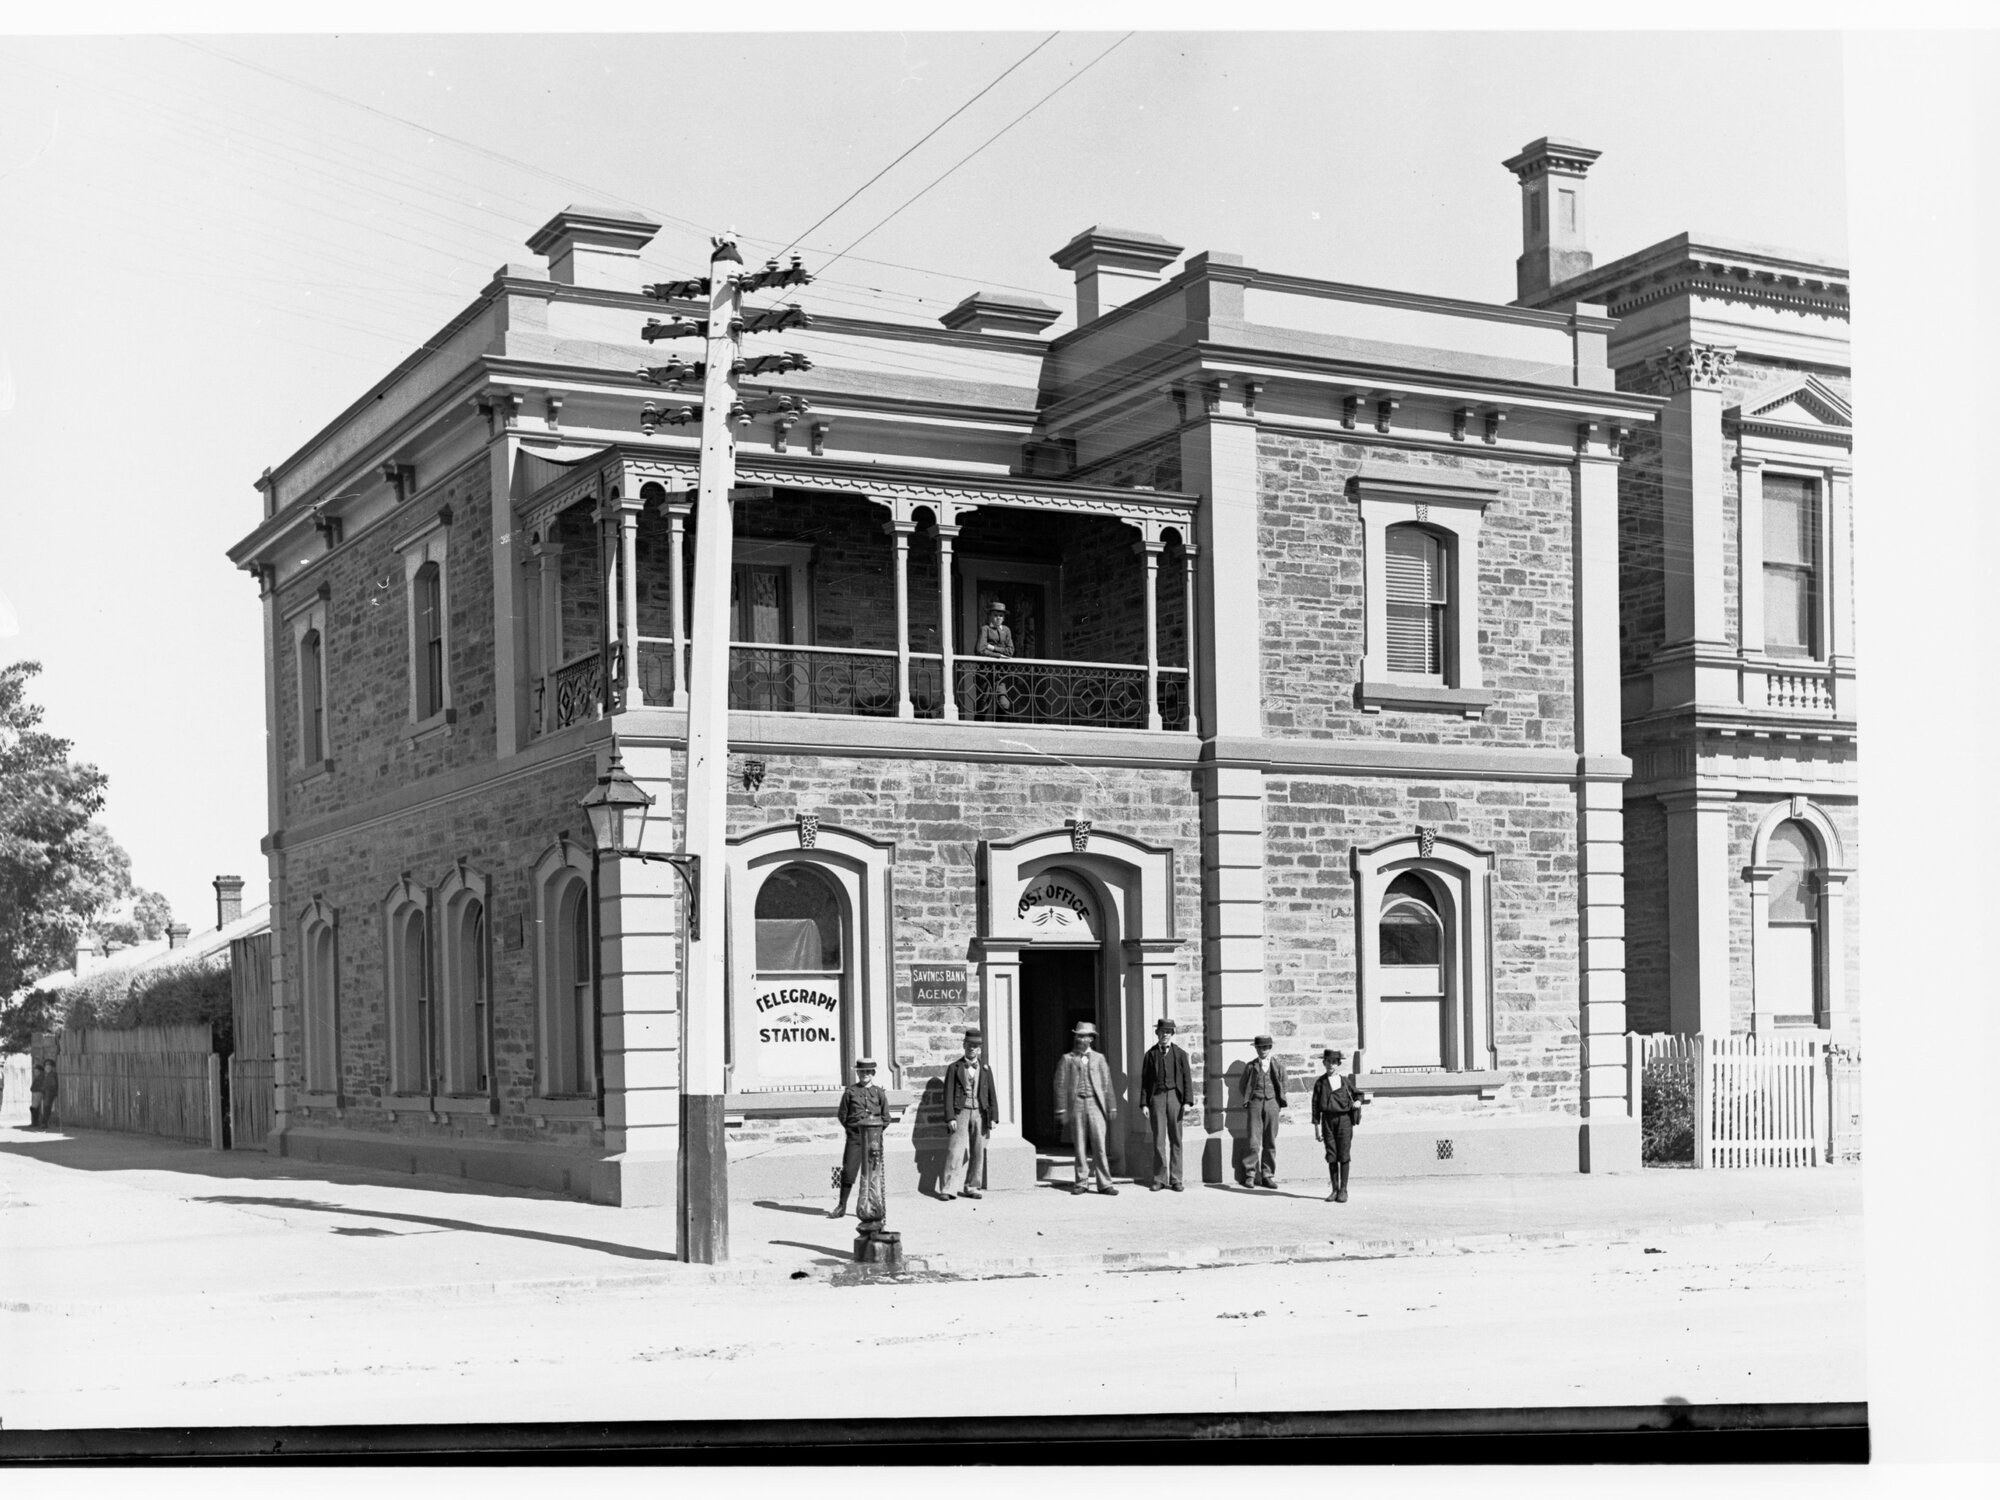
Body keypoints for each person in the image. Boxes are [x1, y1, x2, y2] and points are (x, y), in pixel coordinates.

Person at [1054, 1020, 1118, 1195]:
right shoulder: (1067, 1059)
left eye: (1084, 1036)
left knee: (1099, 1145)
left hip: (1096, 1105)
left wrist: (1111, 1106)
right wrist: (1061, 1108)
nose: (1081, 1039)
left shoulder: (1099, 1058)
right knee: (1080, 1145)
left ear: (1091, 1038)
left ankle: (1105, 1183)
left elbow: (1107, 1084)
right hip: (1077, 1106)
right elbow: (1060, 1084)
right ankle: (1081, 1182)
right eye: (1078, 1036)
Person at [830, 1057, 890, 1226]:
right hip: (855, 1137)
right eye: (862, 1072)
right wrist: (851, 1130)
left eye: (868, 1072)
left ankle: (875, 1206)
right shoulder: (850, 1092)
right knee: (849, 1170)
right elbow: (843, 1114)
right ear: (858, 1073)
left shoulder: (879, 1093)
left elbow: (886, 1117)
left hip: (873, 1140)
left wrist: (875, 1133)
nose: (865, 1075)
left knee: (873, 1173)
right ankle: (842, 1206)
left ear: (873, 1073)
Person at [939, 1027, 998, 1200]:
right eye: (969, 1045)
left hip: (981, 1112)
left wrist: (994, 1117)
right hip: (961, 1112)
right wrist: (950, 1117)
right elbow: (948, 1094)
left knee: (978, 1151)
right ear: (964, 1046)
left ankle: (972, 1186)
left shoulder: (986, 1069)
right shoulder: (954, 1067)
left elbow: (992, 1094)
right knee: (955, 1151)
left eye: (975, 1046)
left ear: (979, 1049)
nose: (972, 1048)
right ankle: (948, 1188)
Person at [1140, 1017, 1193, 1191]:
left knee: (1176, 1139)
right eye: (1162, 1032)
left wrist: (1187, 1102)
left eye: (1168, 1032)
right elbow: (1145, 1081)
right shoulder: (1150, 1055)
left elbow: (1187, 1080)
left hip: (1175, 1098)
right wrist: (1144, 1104)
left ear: (1172, 1034)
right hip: (1157, 1098)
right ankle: (1160, 1178)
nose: (1165, 1035)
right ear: (1157, 1033)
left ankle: (1176, 1179)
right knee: (1158, 1140)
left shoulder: (1180, 1054)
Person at [1311, 1048, 1363, 1203]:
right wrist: (1316, 1127)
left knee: (1344, 1154)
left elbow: (1358, 1094)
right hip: (1327, 1121)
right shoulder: (1320, 1083)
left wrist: (1358, 1101)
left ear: (1338, 1063)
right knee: (1332, 1155)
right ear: (1324, 1063)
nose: (1331, 1065)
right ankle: (1334, 1189)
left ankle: (1344, 1190)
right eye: (1328, 1062)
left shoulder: (1345, 1081)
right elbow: (1315, 1106)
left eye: (1334, 1062)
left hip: (1344, 1121)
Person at [1238, 1034, 1287, 1188]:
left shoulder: (1278, 1066)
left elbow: (1284, 1085)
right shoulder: (1251, 1067)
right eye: (1259, 1047)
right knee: (1253, 1141)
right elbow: (1242, 1086)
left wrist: (1276, 1102)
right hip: (1255, 1104)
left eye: (1265, 1047)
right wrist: (1251, 1099)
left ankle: (1267, 1175)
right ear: (1256, 1049)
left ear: (1270, 1048)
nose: (1262, 1050)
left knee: (1270, 1140)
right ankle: (1250, 1174)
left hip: (1272, 1104)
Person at [973, 599, 1014, 719]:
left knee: (1004, 704)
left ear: (1004, 618)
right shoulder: (985, 629)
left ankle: (998, 727)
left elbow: (1010, 651)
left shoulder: (1006, 630)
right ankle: (979, 730)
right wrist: (1000, 655)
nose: (998, 618)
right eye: (995, 615)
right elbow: (980, 650)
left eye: (1001, 616)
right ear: (990, 616)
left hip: (1000, 673)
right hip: (985, 671)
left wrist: (992, 648)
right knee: (983, 703)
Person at [29, 1060, 48, 1131]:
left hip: (38, 1092)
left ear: (39, 1071)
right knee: (33, 1108)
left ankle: (35, 1122)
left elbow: (41, 1086)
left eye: (36, 1071)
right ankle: (35, 1121)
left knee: (34, 1107)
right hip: (35, 1092)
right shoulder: (37, 1077)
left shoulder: (41, 1077)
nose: (34, 1072)